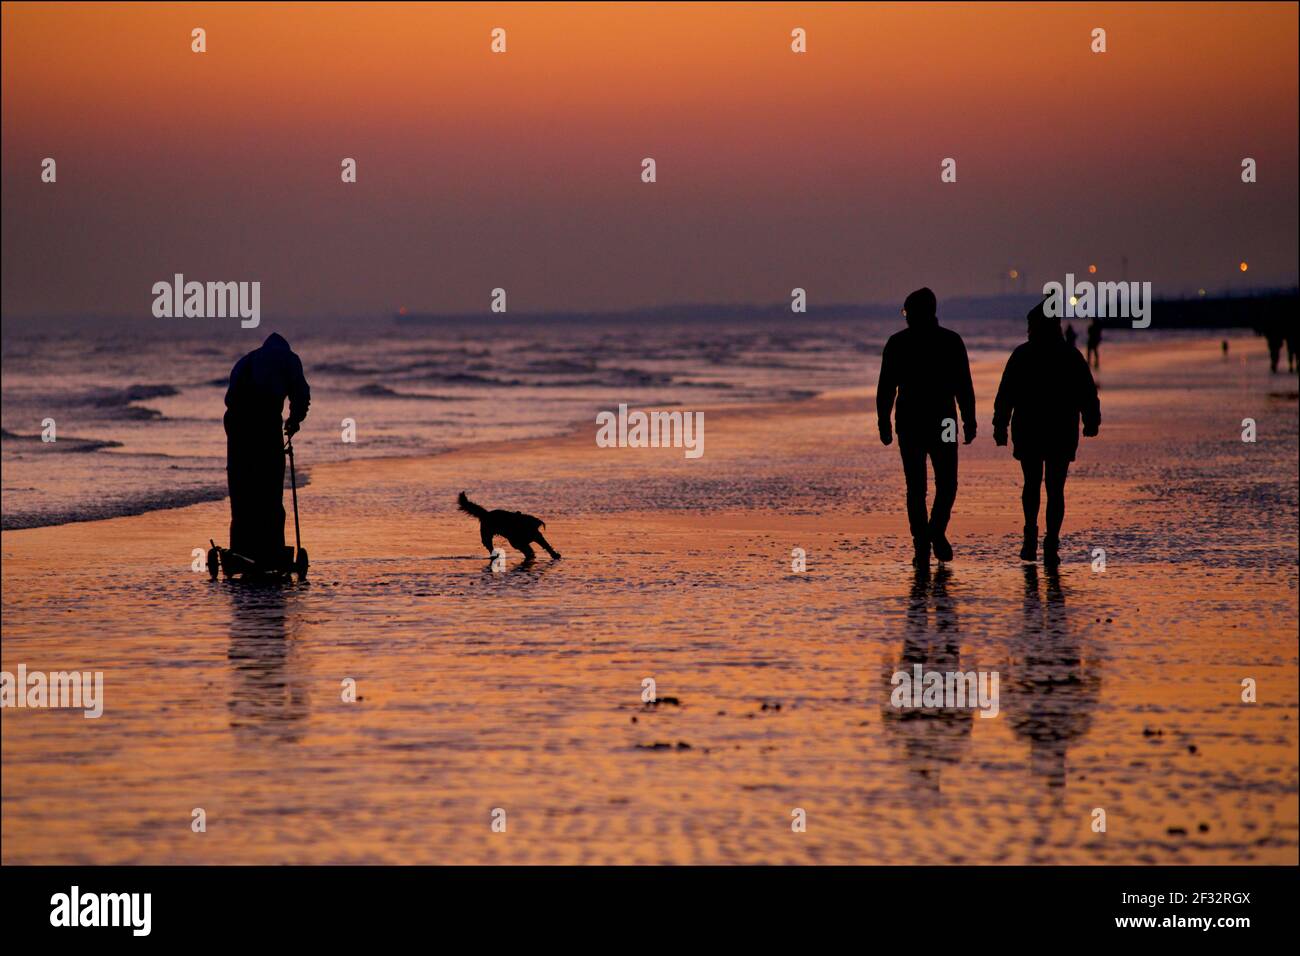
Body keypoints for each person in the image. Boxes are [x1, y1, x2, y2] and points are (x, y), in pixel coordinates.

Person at [993, 301, 1100, 566]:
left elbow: (1006, 394)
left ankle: (1034, 537)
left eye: (1031, 325)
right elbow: (1087, 392)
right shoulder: (1069, 355)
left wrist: (1000, 425)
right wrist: (1091, 419)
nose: (1029, 330)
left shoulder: (1023, 355)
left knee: (1034, 484)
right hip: (1060, 430)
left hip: (1032, 429)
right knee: (1054, 488)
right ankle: (1049, 541)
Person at [876, 287, 976, 567]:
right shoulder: (949, 341)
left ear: (923, 311)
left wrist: (884, 420)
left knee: (923, 486)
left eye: (907, 312)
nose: (906, 317)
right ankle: (928, 537)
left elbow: (886, 389)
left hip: (915, 420)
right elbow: (963, 386)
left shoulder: (902, 343)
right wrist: (968, 418)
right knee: (939, 484)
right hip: (935, 419)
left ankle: (928, 536)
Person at [223, 332, 311, 570]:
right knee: (269, 487)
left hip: (236, 425)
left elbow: (229, 398)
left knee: (242, 486)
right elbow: (301, 395)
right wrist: (294, 421)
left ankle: (242, 547)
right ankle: (270, 547)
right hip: (263, 422)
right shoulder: (289, 359)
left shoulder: (246, 360)